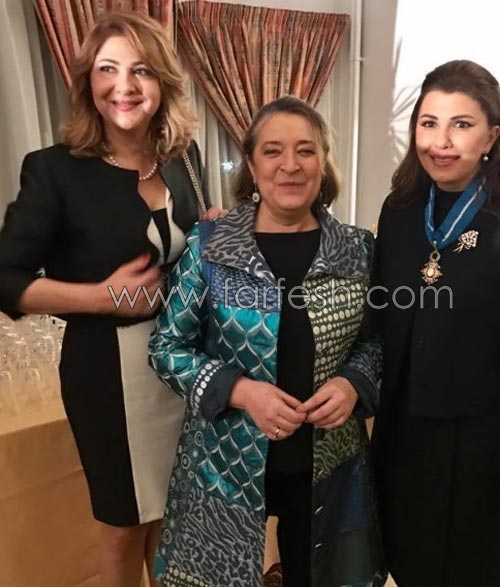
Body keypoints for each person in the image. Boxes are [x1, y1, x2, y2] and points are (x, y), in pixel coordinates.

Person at [0, 11, 223, 587]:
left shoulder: (183, 158)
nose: (124, 85)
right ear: (87, 81)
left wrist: (210, 235)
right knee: (124, 524)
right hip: (109, 374)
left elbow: (182, 257)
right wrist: (100, 297)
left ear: (163, 82)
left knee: (173, 515)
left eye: (141, 70)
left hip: (182, 363)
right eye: (107, 69)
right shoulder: (54, 171)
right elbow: (6, 278)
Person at [148, 96, 386, 587]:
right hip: (225, 461)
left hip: (328, 461)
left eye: (306, 150)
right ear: (252, 166)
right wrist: (239, 390)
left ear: (323, 163)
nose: (290, 165)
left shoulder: (358, 250)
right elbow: (167, 347)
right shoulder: (210, 245)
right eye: (273, 151)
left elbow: (376, 341)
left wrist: (352, 383)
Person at [371, 60, 500, 587]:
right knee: (412, 569)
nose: (441, 142)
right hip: (405, 442)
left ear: (492, 136)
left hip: (485, 451)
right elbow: (382, 321)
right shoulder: (401, 211)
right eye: (428, 123)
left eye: (461, 124)